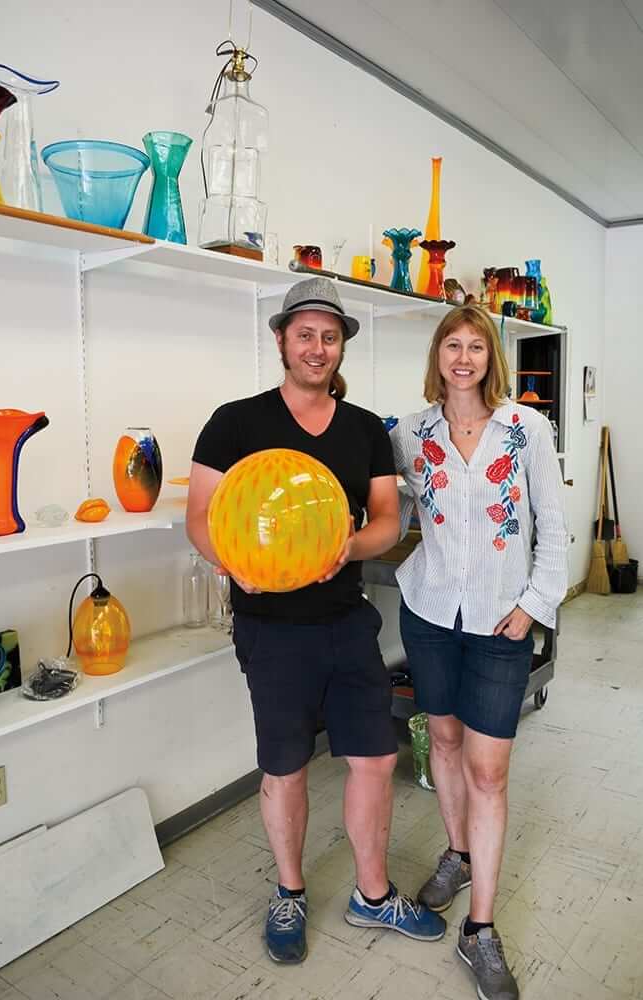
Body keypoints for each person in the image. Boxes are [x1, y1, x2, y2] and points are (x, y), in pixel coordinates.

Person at [186, 277, 446, 965]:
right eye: (304, 334)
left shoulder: (365, 430)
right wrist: (232, 562)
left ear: (340, 347)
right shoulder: (235, 422)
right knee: (287, 766)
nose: (317, 347)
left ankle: (370, 893)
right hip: (270, 629)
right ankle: (291, 892)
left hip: (346, 620)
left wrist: (348, 548)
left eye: (329, 337)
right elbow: (202, 518)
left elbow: (389, 521)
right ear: (281, 339)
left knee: (373, 758)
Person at [390, 304, 567, 1000]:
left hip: (502, 623)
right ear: (436, 356)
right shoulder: (411, 432)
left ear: (492, 357)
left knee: (488, 770)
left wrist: (533, 606)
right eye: (451, 346)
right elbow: (400, 511)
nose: (463, 358)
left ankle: (480, 931)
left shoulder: (527, 430)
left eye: (475, 347)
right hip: (430, 610)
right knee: (442, 736)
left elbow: (552, 526)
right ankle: (457, 854)